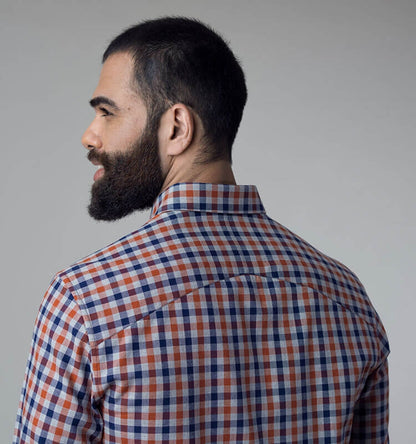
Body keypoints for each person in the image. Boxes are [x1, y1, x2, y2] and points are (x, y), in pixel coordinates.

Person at [14, 17, 390, 443]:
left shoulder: (85, 301)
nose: (89, 136)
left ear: (177, 127)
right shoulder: (348, 298)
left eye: (107, 112)